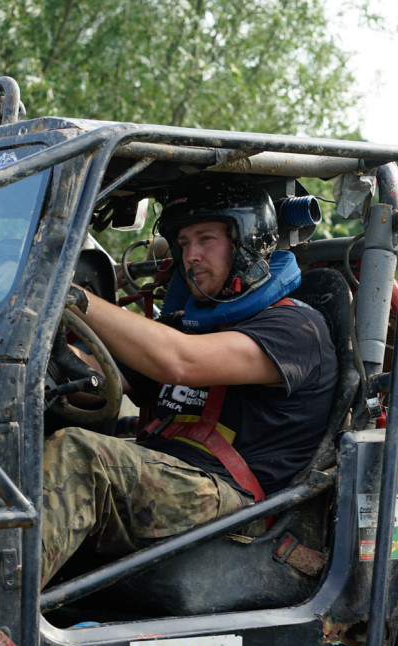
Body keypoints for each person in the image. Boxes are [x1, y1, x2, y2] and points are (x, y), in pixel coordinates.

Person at [39, 174, 338, 585]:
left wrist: (70, 296)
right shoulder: (189, 323)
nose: (191, 256)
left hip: (234, 506)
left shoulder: (295, 329)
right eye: (183, 244)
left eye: (205, 239)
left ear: (247, 241)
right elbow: (101, 377)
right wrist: (47, 360)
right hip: (171, 480)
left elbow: (182, 363)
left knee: (80, 456)